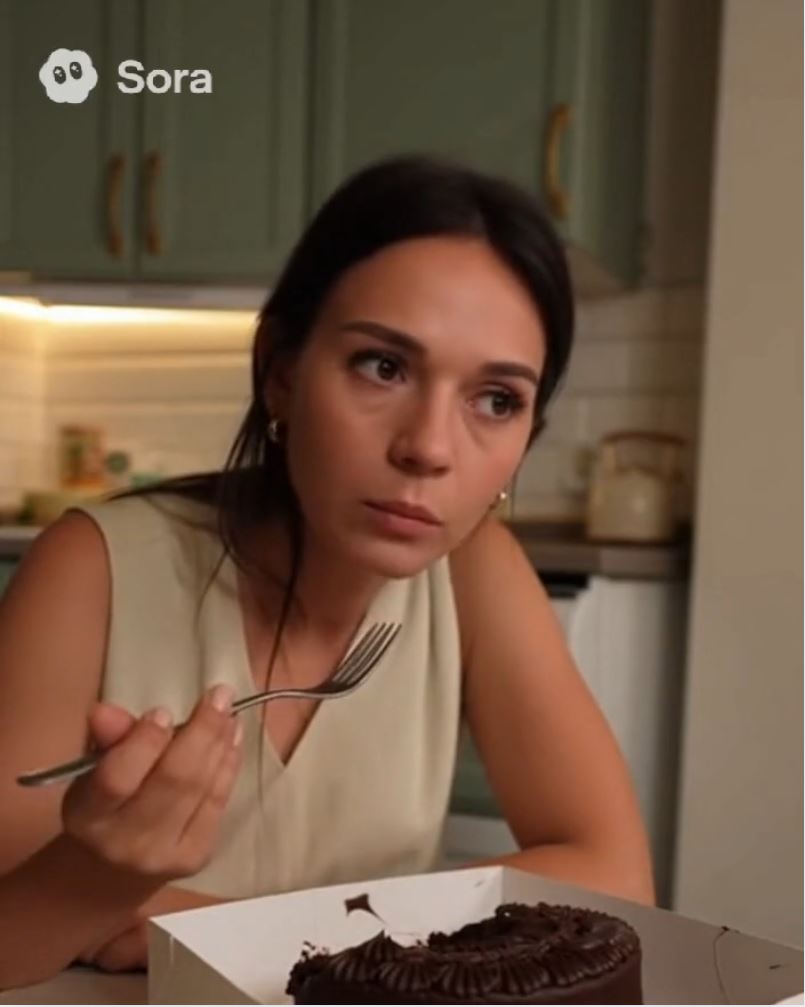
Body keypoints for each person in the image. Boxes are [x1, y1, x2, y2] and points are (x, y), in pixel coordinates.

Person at [0, 155, 654, 990]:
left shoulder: (476, 571)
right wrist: (101, 874)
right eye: (383, 366)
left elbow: (613, 872)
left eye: (496, 400)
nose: (429, 447)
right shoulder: (93, 564)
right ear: (282, 371)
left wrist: (232, 925)